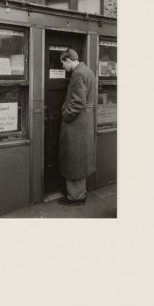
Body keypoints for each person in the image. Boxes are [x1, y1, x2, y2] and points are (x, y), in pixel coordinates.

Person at [57, 48, 97, 205]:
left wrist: (65, 114)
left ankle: (76, 197)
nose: (63, 68)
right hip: (85, 123)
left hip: (76, 124)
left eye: (63, 64)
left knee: (73, 159)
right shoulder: (88, 71)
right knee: (81, 158)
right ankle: (80, 192)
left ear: (68, 60)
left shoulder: (78, 74)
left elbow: (77, 102)